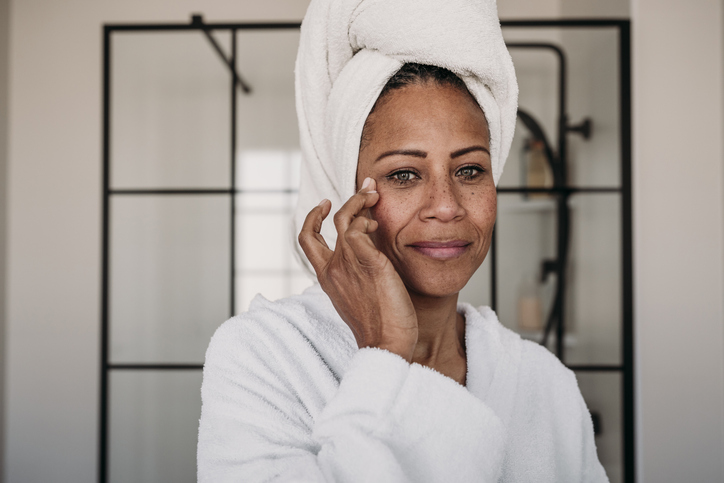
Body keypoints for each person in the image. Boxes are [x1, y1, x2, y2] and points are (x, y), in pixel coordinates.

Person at [197, 0, 609, 482]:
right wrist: (387, 352)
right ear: (347, 193)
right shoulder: (264, 356)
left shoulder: (543, 382)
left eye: (470, 169)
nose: (447, 205)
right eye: (405, 174)